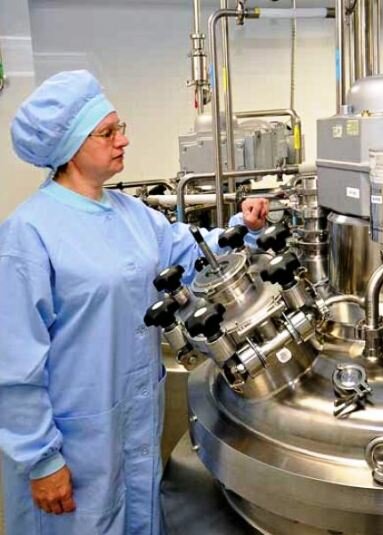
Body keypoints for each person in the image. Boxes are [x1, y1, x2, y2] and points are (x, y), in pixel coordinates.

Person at [0, 70, 267, 535]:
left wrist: (244, 227)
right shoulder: (29, 233)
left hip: (133, 421)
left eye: (119, 128)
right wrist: (41, 460)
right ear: (70, 146)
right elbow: (13, 363)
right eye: (107, 133)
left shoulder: (131, 214)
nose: (122, 140)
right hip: (73, 441)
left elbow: (190, 252)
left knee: (137, 517)